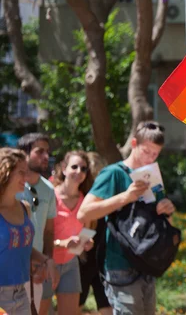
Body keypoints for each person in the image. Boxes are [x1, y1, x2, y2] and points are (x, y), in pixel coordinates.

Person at [77, 121, 175, 315]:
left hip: (146, 263)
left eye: (155, 154)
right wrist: (126, 197)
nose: (150, 158)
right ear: (134, 144)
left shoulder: (152, 176)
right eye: (146, 151)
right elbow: (84, 213)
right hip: (118, 265)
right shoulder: (113, 173)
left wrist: (167, 210)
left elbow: (166, 223)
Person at [0, 148, 56, 315]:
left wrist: (46, 261)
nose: (26, 178)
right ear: (6, 172)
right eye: (21, 172)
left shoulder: (25, 208)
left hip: (22, 292)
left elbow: (21, 246)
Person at [40, 151, 95, 315]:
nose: (79, 172)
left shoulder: (85, 199)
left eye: (83, 169)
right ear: (63, 168)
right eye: (74, 167)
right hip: (46, 263)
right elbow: (39, 235)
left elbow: (87, 229)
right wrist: (62, 243)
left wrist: (86, 242)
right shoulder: (50, 196)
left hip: (71, 263)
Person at [15, 133, 59, 313]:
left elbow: (49, 231)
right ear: (23, 153)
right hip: (10, 267)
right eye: (39, 151)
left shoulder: (49, 189)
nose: (46, 157)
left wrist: (45, 262)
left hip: (36, 270)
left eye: (47, 152)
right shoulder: (8, 184)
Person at [78, 152, 112, 315]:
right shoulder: (94, 196)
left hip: (94, 257)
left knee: (103, 305)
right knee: (104, 305)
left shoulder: (90, 196)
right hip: (93, 256)